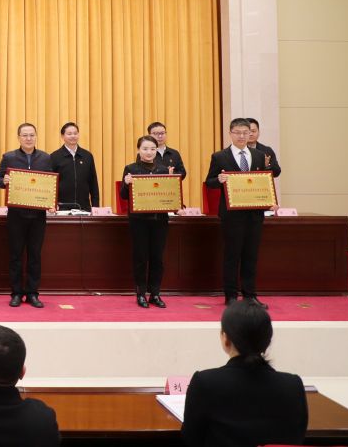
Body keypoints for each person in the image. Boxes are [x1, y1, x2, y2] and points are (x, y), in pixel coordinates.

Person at [182, 301, 307, 447]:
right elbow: (297, 438)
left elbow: (190, 439)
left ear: (225, 338)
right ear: (267, 341)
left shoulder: (205, 383)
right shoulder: (293, 385)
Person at [206, 118, 271, 308]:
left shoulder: (259, 155)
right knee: (232, 255)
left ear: (250, 133)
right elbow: (209, 181)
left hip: (254, 214)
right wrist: (218, 179)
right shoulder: (220, 156)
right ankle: (231, 296)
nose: (242, 136)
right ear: (230, 133)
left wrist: (268, 201)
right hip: (232, 215)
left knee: (251, 255)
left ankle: (250, 295)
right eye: (238, 132)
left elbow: (263, 182)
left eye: (245, 132)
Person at [0, 123, 52, 308]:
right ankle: (17, 293)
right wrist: (3, 180)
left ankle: (33, 293)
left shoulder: (45, 158)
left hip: (38, 216)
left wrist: (52, 202)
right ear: (18, 137)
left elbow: (51, 183)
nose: (28, 138)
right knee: (15, 256)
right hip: (16, 216)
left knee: (35, 256)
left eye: (32, 135)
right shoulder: (9, 157)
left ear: (36, 136)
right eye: (25, 135)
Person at [119, 136, 171, 308]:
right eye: (145, 149)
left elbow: (169, 194)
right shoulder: (131, 168)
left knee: (157, 258)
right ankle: (140, 293)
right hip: (139, 221)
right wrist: (126, 184)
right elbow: (123, 196)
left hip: (160, 220)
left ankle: (155, 293)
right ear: (138, 150)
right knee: (140, 257)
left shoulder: (163, 170)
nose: (149, 152)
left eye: (152, 149)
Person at [49, 122, 100, 211]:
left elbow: (93, 183)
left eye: (75, 133)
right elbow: (50, 184)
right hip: (62, 208)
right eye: (69, 134)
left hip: (84, 208)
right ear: (62, 136)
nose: (73, 136)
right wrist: (52, 205)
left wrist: (96, 207)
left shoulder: (87, 156)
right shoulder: (55, 156)